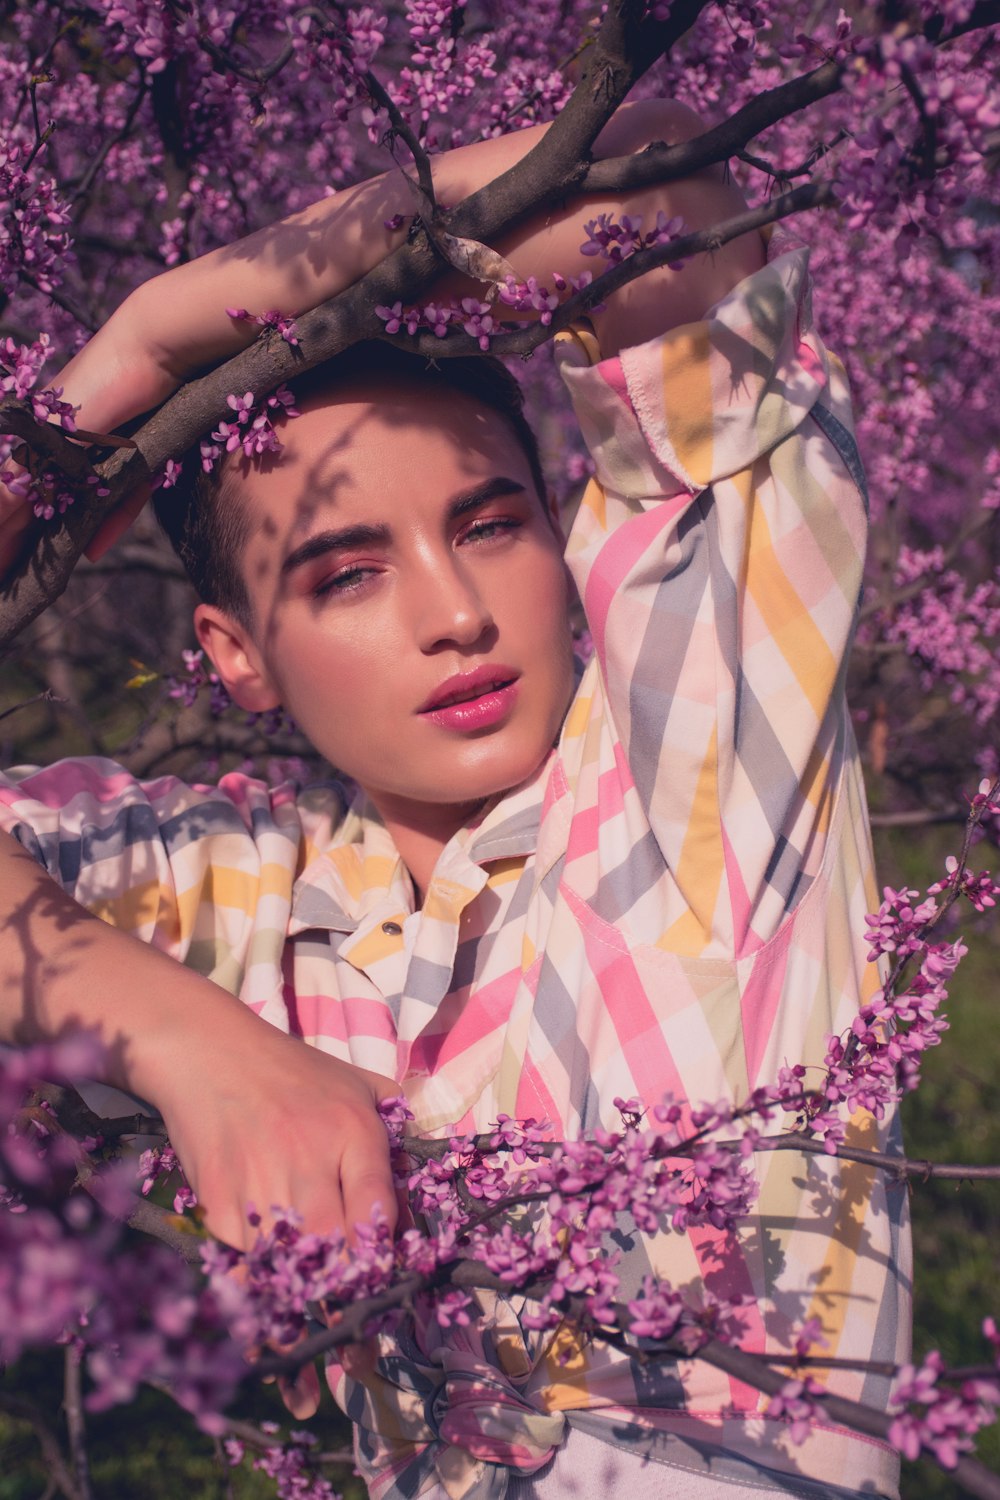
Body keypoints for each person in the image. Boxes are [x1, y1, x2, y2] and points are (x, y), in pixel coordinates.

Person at [0, 99, 909, 1498]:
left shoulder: (705, 778)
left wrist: (163, 326)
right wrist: (188, 1040)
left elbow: (652, 211)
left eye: (490, 526)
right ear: (235, 657)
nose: (454, 614)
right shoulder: (245, 899)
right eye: (346, 572)